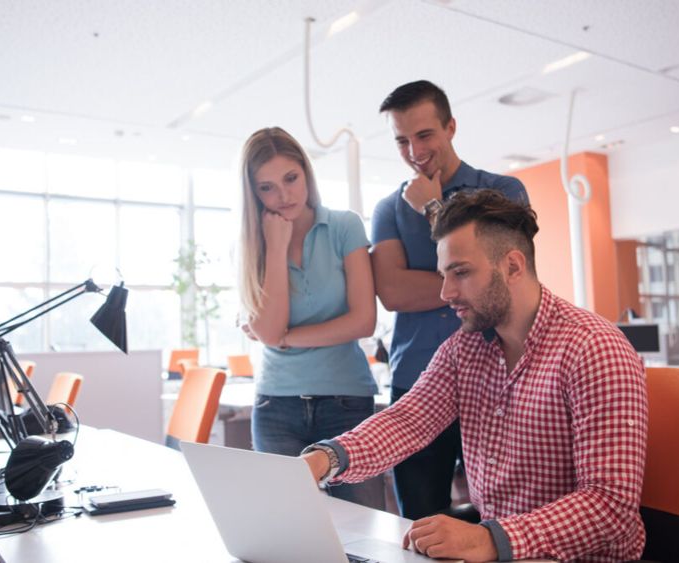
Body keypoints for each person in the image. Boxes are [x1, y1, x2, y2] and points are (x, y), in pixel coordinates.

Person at [303, 190, 649, 562]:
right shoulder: (464, 349)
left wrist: (489, 540)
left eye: (461, 273)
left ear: (513, 267)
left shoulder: (593, 348)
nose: (445, 292)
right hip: (501, 551)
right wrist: (325, 461)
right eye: (443, 275)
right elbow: (407, 420)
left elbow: (610, 506)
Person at [369, 79, 529, 520]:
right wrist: (469, 275)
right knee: (420, 522)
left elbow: (506, 281)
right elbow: (393, 293)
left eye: (424, 135)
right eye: (401, 140)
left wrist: (433, 210)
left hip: (495, 378)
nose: (414, 151)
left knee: (503, 515)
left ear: (451, 127)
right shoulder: (386, 209)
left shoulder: (503, 194)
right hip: (415, 379)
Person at [237, 126, 384, 509]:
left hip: (346, 401)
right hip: (276, 405)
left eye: (291, 178)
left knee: (363, 526)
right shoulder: (254, 243)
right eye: (267, 187)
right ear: (253, 192)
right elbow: (269, 330)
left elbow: (363, 322)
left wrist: (287, 338)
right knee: (285, 528)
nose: (283, 195)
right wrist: (276, 245)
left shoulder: (344, 226)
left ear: (306, 172)